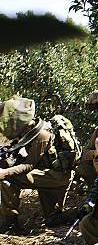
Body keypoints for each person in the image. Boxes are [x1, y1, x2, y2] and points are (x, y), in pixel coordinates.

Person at [0, 97, 77, 232]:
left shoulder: (42, 134)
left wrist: (4, 172)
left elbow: (29, 165)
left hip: (56, 177)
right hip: (47, 172)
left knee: (8, 178)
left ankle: (10, 225)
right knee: (52, 220)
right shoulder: (30, 129)